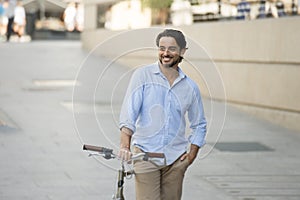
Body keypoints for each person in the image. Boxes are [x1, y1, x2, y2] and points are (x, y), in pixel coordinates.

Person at [118, 29, 207, 200]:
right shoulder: (142, 76)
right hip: (145, 154)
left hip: (176, 160)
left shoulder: (190, 87)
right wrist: (125, 146)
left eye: (172, 49)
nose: (166, 53)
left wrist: (191, 155)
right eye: (162, 48)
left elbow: (199, 124)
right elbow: (128, 115)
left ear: (182, 52)